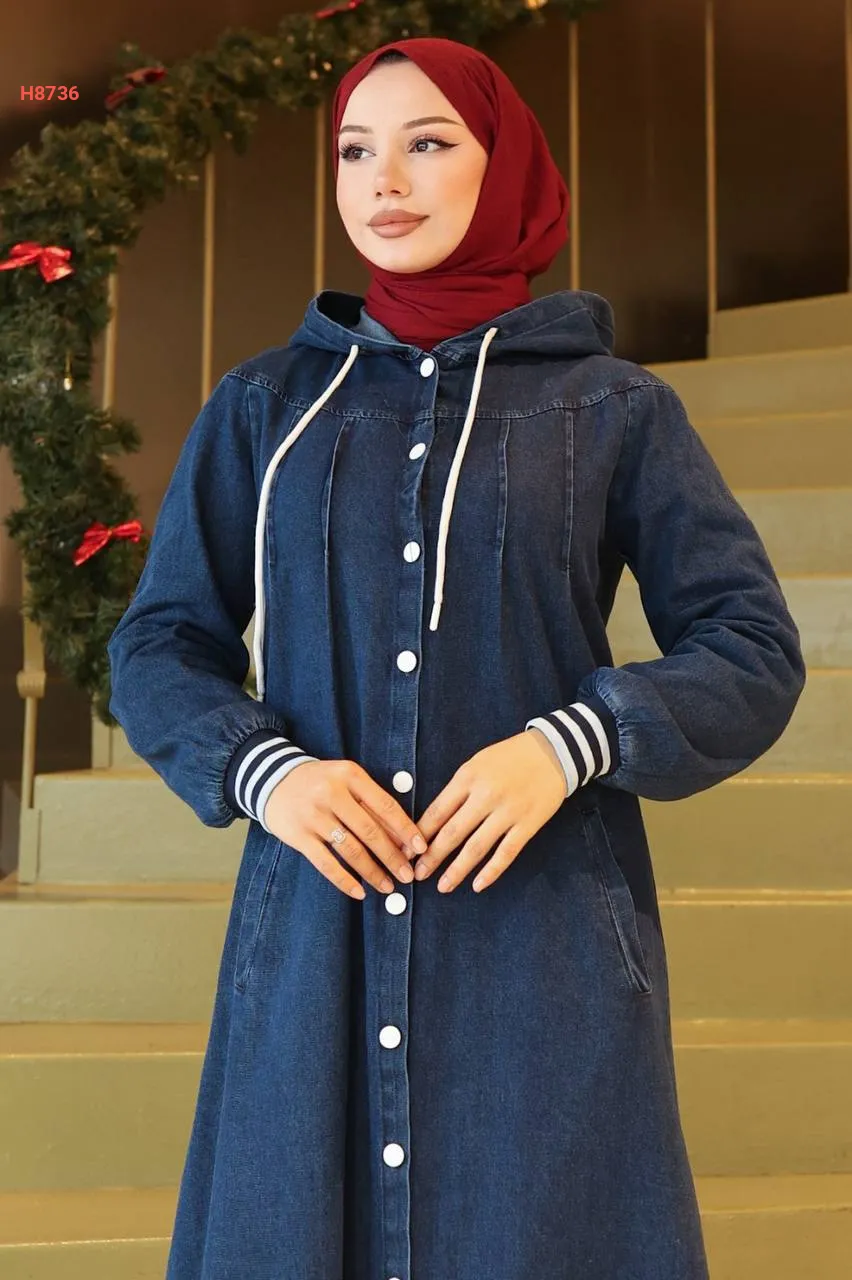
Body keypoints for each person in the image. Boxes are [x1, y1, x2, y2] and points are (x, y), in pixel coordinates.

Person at [107, 35, 806, 1280]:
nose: (384, 179)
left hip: (541, 952)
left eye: (428, 143)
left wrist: (572, 742)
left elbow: (751, 646)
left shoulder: (614, 410)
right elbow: (160, 644)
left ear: (506, 166)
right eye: (355, 150)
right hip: (311, 941)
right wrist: (269, 771)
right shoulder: (267, 407)